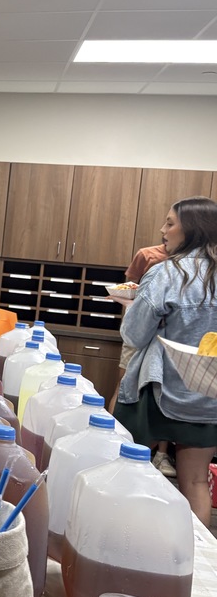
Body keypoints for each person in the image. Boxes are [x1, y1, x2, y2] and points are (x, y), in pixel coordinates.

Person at [114, 196, 217, 524]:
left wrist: (134, 309)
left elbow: (133, 335)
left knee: (129, 471)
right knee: (196, 481)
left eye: (170, 223)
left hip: (157, 390)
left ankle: (129, 540)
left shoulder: (166, 274)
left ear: (193, 229)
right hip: (207, 395)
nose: (163, 230)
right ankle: (195, 552)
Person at [112, 243, 173, 475]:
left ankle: (161, 455)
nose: (164, 229)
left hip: (168, 338)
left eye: (170, 225)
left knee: (162, 393)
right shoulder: (147, 255)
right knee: (124, 383)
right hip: (140, 330)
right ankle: (114, 439)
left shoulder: (190, 261)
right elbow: (128, 288)